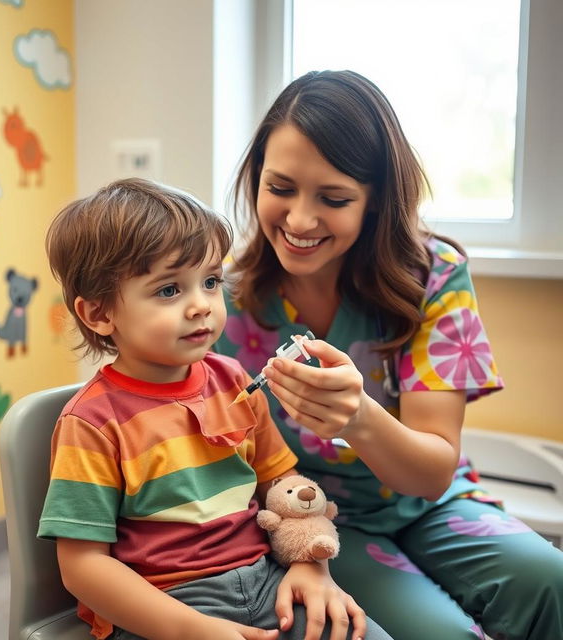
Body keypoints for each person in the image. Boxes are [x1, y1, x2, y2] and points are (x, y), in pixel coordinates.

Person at [213, 70, 563, 640]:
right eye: (280, 188)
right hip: (317, 519)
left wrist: (359, 419)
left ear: (374, 201)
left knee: (550, 580)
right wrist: (300, 546)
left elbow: (431, 472)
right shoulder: (224, 301)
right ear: (255, 180)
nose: (300, 220)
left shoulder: (434, 278)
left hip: (432, 503)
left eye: (334, 198)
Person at [37, 178, 393, 640]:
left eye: (209, 281)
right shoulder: (91, 423)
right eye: (169, 290)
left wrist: (310, 567)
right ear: (100, 314)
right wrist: (192, 629)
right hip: (162, 607)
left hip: (269, 583)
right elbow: (83, 568)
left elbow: (281, 485)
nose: (201, 306)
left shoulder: (234, 381)